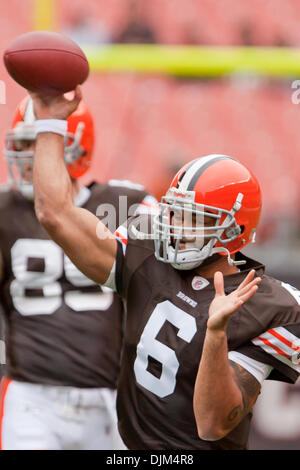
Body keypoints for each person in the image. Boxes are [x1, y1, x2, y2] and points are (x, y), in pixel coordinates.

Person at [30, 87, 300, 450]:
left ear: (235, 231)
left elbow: (213, 425)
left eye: (193, 219)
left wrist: (217, 333)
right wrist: (49, 120)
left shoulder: (269, 306)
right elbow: (56, 215)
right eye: (174, 213)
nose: (175, 227)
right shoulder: (146, 251)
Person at [0, 95, 158, 450]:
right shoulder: (4, 211)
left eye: (36, 142)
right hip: (30, 396)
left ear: (76, 146)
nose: (27, 157)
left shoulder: (124, 203)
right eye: (21, 144)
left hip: (108, 398)